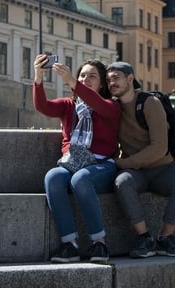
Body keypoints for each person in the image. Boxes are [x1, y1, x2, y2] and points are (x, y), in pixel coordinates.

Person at [33, 55, 120, 263]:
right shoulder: (68, 105)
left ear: (102, 85)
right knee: (53, 177)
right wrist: (38, 77)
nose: (85, 79)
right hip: (71, 162)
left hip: (101, 165)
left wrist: (72, 81)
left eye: (92, 76)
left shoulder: (110, 106)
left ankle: (100, 243)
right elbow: (43, 106)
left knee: (80, 179)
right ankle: (69, 245)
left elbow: (97, 104)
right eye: (82, 75)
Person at [107, 62, 175, 259]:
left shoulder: (149, 103)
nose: (112, 82)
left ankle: (166, 238)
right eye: (109, 79)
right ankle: (144, 238)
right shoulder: (113, 108)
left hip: (161, 169)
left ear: (130, 78)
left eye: (117, 77)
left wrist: (123, 163)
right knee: (122, 183)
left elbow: (159, 147)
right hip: (137, 173)